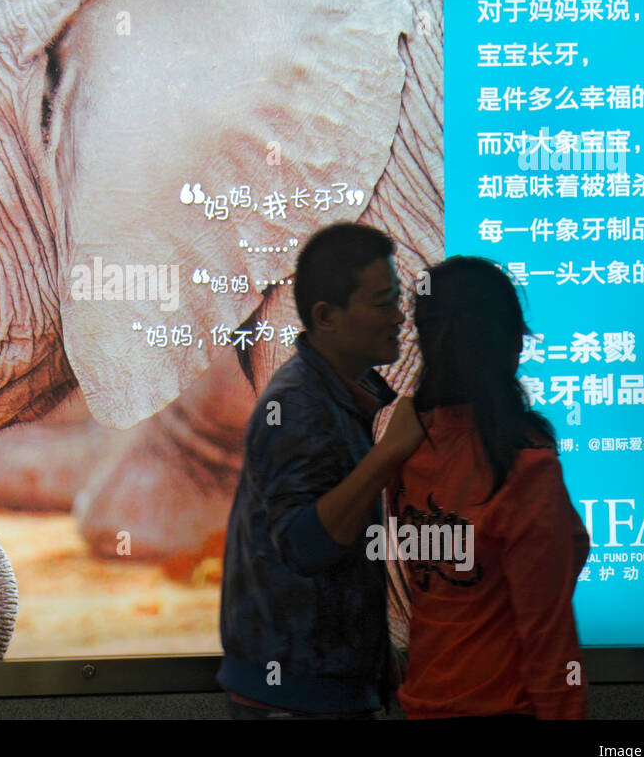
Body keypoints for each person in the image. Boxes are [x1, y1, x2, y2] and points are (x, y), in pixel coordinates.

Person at [218, 222, 427, 719]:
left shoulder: (340, 396)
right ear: (326, 317)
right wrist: (385, 457)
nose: (400, 317)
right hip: (296, 701)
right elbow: (305, 543)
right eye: (383, 304)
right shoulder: (299, 405)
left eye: (398, 301)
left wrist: (373, 657)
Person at [388, 255, 589, 719]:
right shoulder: (524, 466)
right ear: (516, 344)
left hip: (423, 703)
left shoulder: (410, 443)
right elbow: (548, 640)